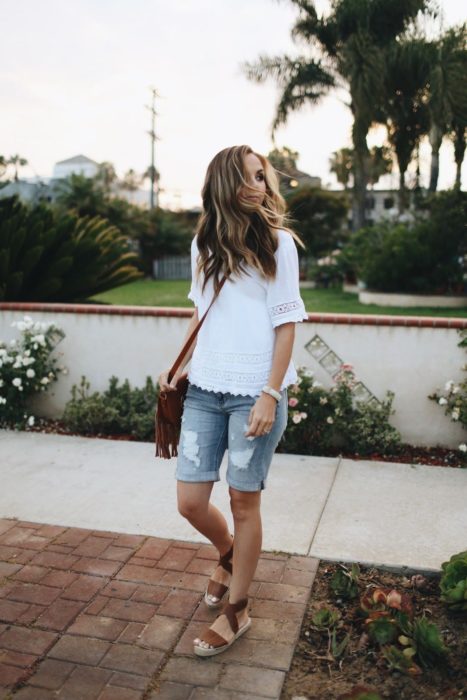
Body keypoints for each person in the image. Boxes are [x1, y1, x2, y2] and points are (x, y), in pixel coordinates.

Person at [158, 144, 308, 657]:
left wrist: (270, 393)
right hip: (203, 390)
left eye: (262, 177)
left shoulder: (279, 244)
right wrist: (179, 365)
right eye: (247, 176)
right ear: (224, 182)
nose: (257, 185)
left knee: (244, 502)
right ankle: (227, 553)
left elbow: (286, 324)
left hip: (255, 395)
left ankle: (238, 609)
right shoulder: (203, 244)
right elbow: (205, 315)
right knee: (190, 502)